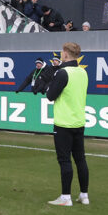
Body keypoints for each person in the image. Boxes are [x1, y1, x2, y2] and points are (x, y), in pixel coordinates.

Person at [44, 42, 89, 206]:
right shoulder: (83, 72)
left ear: (65, 54)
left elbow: (50, 95)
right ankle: (84, 195)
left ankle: (65, 197)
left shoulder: (63, 73)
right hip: (78, 121)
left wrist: (50, 83)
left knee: (65, 160)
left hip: (64, 123)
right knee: (80, 159)